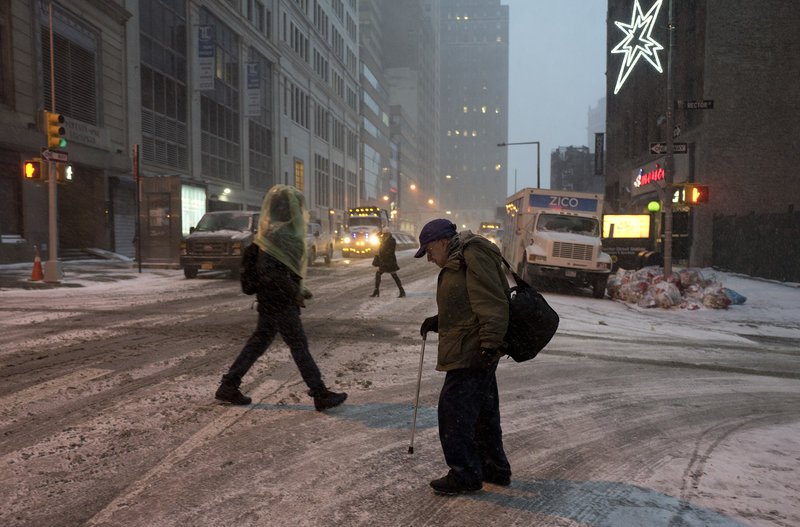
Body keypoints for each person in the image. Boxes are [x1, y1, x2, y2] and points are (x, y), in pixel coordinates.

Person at [215, 185, 347, 412]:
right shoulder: (278, 235)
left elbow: (281, 269)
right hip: (279, 300)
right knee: (298, 345)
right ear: (287, 210)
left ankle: (229, 384)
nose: (299, 212)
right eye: (296, 207)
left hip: (273, 299)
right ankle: (319, 393)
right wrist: (294, 291)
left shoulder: (274, 233)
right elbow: (271, 271)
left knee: (258, 343)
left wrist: (298, 288)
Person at [416, 218, 511, 495]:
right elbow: (467, 303)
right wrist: (439, 320)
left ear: (441, 242)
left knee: (453, 412)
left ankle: (465, 474)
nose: (429, 259)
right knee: (483, 413)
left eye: (430, 252)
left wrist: (488, 347)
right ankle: (494, 468)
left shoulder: (471, 256)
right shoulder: (460, 259)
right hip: (471, 346)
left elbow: (492, 304)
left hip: (473, 350)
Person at [370, 227, 406, 298]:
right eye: (384, 234)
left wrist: (383, 255)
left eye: (386, 234)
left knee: (394, 275)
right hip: (384, 261)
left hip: (389, 261)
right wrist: (380, 233)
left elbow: (391, 251)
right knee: (379, 274)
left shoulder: (392, 240)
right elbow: (377, 236)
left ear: (389, 234)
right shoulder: (383, 239)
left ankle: (401, 291)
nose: (384, 235)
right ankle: (376, 290)